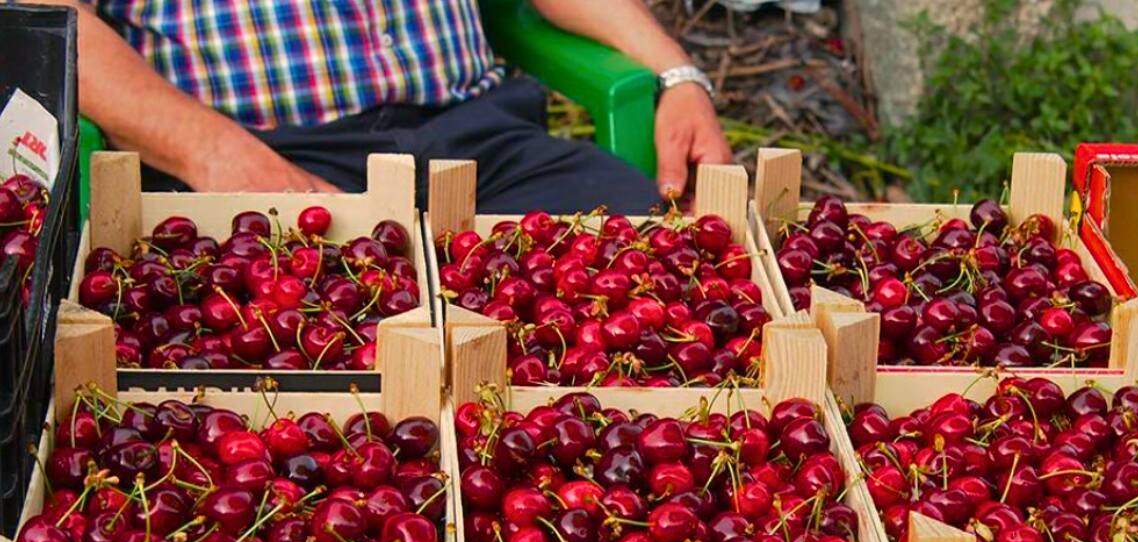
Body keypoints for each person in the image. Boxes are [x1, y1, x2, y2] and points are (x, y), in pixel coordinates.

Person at [39, 0, 733, 212]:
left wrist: (676, 74)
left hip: (483, 143)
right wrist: (212, 153)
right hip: (269, 159)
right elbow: (48, 17)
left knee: (653, 284)